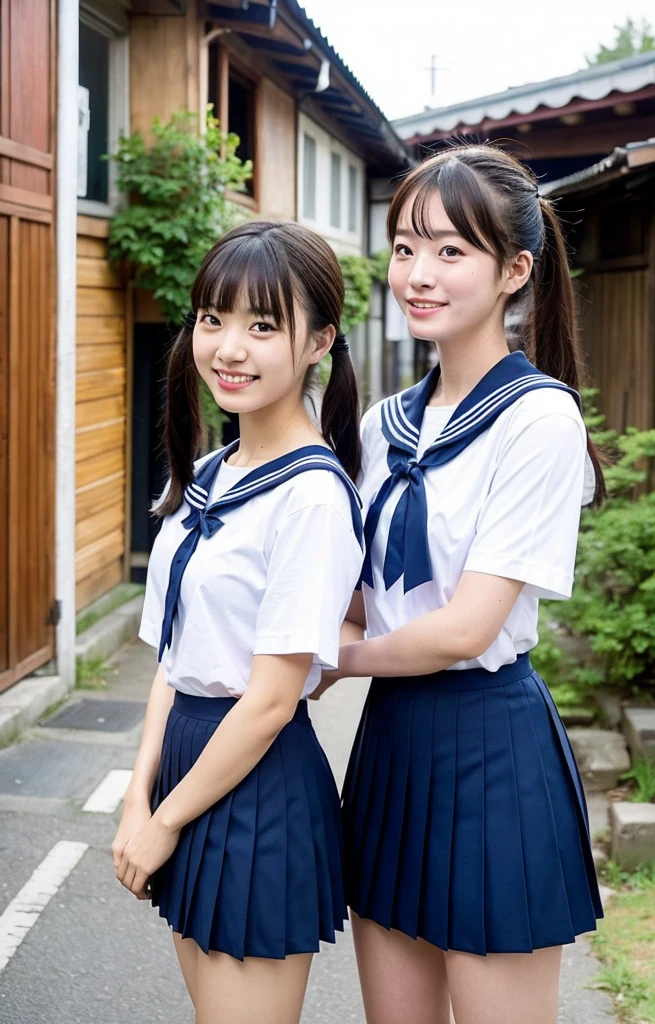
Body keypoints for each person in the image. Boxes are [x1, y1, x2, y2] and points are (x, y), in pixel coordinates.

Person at [332, 146, 605, 1024]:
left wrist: (336, 660)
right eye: (407, 246)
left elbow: (463, 626)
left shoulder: (538, 420)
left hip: (492, 750)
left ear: (514, 270)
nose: (418, 273)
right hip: (391, 745)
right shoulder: (384, 424)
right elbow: (371, 592)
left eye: (451, 251)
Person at [110, 221, 364, 1024]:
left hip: (255, 785)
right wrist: (136, 796)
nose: (229, 346)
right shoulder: (213, 472)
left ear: (319, 340)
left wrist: (166, 817)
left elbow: (271, 700)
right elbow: (175, 660)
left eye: (263, 325)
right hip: (191, 760)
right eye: (214, 319)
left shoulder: (313, 497)